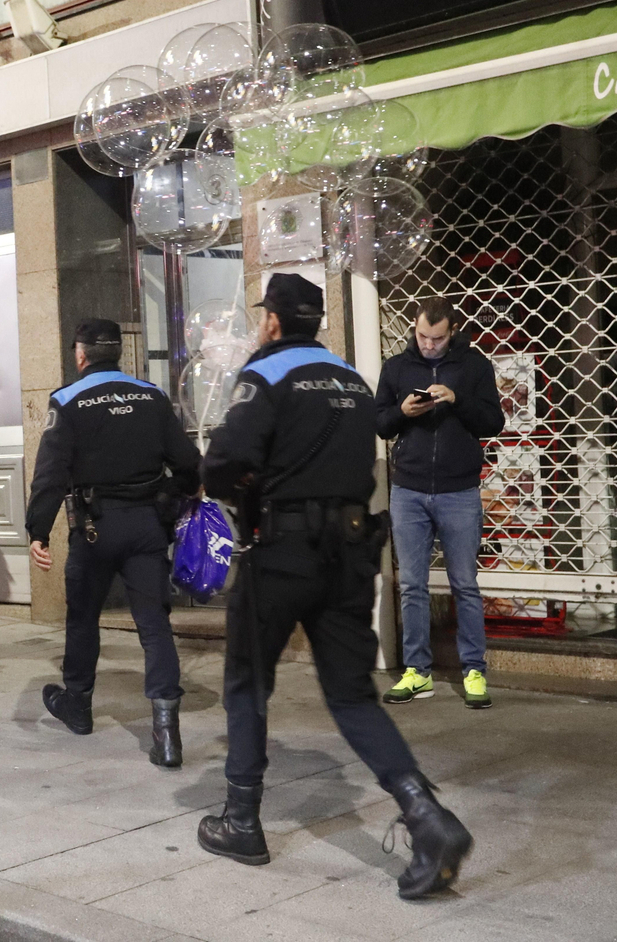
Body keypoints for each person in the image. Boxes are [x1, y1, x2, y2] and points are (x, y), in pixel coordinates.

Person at [197, 273, 472, 899]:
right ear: (315, 321)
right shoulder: (349, 378)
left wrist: (233, 481)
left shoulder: (264, 375)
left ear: (271, 321)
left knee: (246, 681)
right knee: (351, 695)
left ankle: (242, 821)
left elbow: (222, 466)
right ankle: (427, 816)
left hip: (281, 553)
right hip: (351, 554)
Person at [25, 319, 200, 768]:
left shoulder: (66, 400)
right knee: (154, 625)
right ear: (118, 353)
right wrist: (175, 496)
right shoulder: (152, 396)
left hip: (95, 528)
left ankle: (78, 707)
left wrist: (38, 530)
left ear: (80, 355)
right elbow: (187, 462)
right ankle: (166, 733)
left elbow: (50, 474)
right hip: (146, 526)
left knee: (83, 617)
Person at [374, 296, 505, 710]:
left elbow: (493, 422)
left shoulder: (474, 365)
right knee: (412, 584)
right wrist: (403, 410)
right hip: (408, 490)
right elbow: (378, 423)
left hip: (459, 491)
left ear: (452, 332)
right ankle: (417, 671)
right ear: (415, 329)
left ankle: (474, 671)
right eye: (422, 336)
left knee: (464, 583)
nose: (429, 345)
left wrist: (456, 398)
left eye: (437, 338)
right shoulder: (396, 367)